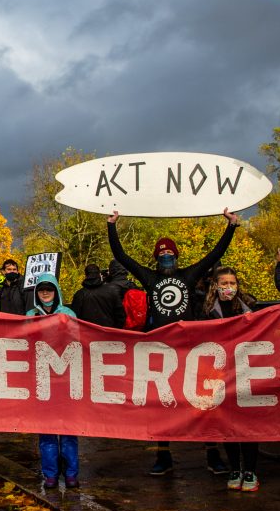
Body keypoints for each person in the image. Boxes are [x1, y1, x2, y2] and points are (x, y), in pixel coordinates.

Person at [108, 209, 240, 476]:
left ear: (177, 257)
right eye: (162, 255)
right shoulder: (150, 278)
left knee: (203, 402)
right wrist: (112, 225)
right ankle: (163, 456)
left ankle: (213, 454)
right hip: (161, 351)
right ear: (156, 259)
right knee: (162, 405)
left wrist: (232, 227)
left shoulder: (188, 277)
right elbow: (122, 257)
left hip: (190, 351)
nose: (166, 258)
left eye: (170, 255)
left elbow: (215, 255)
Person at [202, 266, 261, 493]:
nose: (229, 288)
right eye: (224, 283)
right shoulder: (207, 310)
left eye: (232, 283)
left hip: (246, 371)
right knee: (226, 423)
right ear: (215, 285)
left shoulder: (250, 307)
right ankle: (234, 468)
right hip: (219, 373)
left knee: (248, 424)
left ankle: (251, 471)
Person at [26, 274, 80, 488]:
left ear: (56, 290)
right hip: (43, 380)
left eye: (49, 289)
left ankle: (71, 474)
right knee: (47, 431)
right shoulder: (30, 314)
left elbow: (79, 339)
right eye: (41, 289)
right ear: (36, 293)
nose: (45, 293)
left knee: (68, 431)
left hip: (66, 379)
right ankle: (50, 474)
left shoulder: (68, 313)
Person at [69, 263, 126, 329]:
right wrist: (115, 330)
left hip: (88, 334)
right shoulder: (111, 292)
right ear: (99, 274)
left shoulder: (79, 294)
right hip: (109, 333)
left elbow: (74, 318)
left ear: (86, 275)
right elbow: (121, 316)